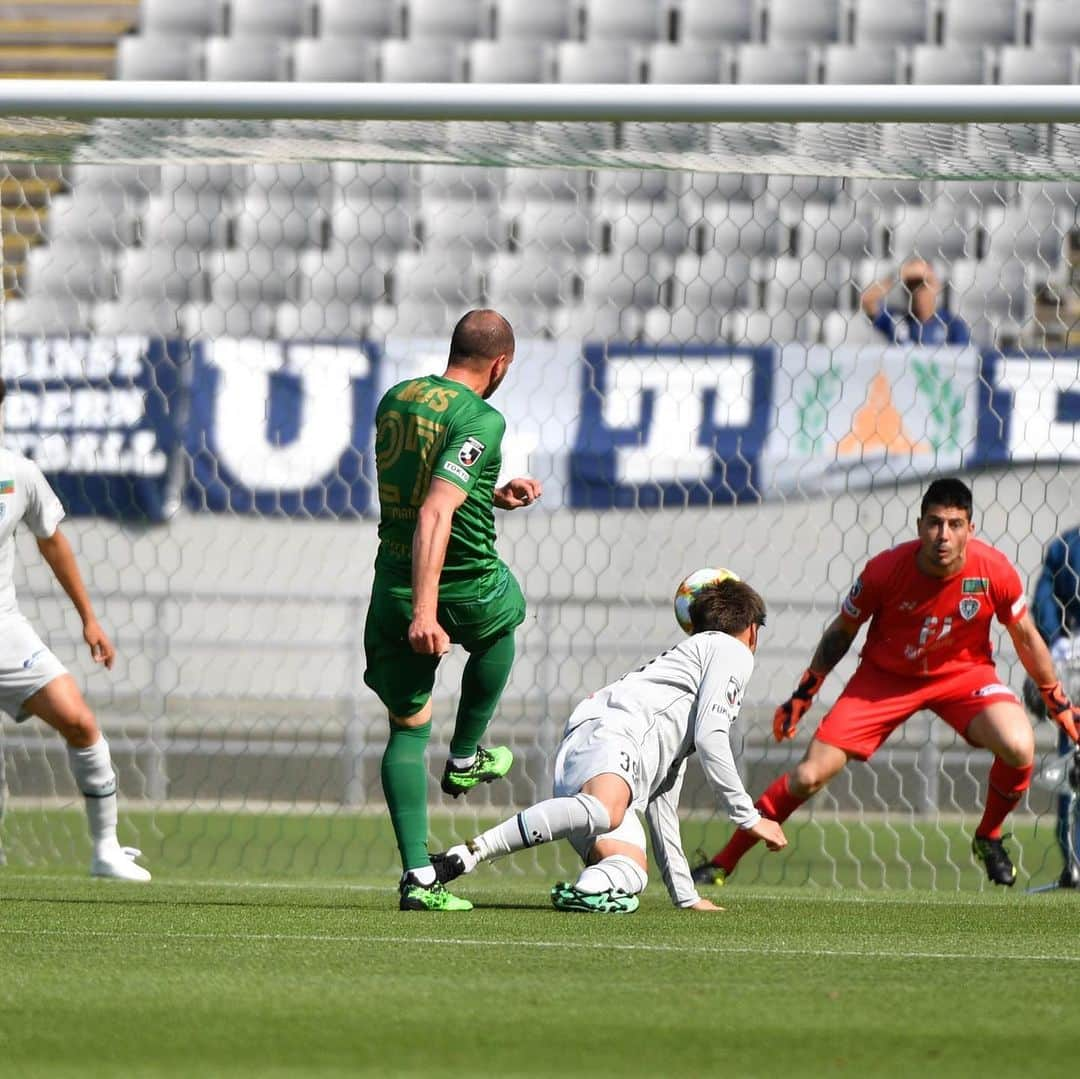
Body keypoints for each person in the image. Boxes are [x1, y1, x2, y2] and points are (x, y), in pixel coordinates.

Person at [691, 477, 1080, 890]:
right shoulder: (885, 570)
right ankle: (722, 863)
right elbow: (842, 632)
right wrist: (804, 694)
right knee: (808, 776)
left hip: (964, 676)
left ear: (970, 528)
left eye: (954, 524)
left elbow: (1025, 636)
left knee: (1019, 744)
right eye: (934, 523)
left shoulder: (993, 570)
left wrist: (1057, 703)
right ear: (918, 526)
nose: (943, 535)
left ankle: (989, 836)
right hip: (885, 680)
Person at [433, 578, 787, 913]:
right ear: (753, 629)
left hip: (594, 752)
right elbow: (713, 736)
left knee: (630, 869)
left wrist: (686, 896)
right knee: (605, 810)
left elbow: (662, 800)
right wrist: (748, 817)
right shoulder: (731, 649)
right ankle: (468, 855)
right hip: (613, 737)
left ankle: (587, 892)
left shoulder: (681, 687)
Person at [364, 309, 542, 912]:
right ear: (500, 365)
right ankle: (466, 755)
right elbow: (436, 512)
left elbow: (424, 481)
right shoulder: (482, 417)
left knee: (407, 728)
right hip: (458, 582)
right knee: (505, 615)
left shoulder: (399, 396)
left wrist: (493, 491)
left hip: (389, 578)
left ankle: (419, 876)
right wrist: (426, 609)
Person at [0, 377, 149, 881]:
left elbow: (52, 542)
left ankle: (105, 850)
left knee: (81, 723)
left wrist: (90, 619)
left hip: (5, 632)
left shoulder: (17, 474)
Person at [1029, 524, 1080, 886]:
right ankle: (1074, 862)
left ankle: (1074, 863)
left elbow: (1045, 595)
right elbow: (1044, 597)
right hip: (1074, 672)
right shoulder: (1067, 545)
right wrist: (1056, 642)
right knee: (1073, 766)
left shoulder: (1067, 544)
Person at [861, 257, 971, 346]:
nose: (917, 292)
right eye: (911, 285)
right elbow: (867, 300)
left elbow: (965, 363)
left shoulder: (952, 325)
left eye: (923, 285)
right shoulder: (897, 320)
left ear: (936, 286)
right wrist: (900, 274)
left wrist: (928, 273)